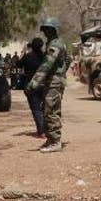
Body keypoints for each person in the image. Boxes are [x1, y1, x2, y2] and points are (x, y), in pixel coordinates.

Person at [27, 18, 70, 153]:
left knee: (50, 110)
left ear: (53, 30)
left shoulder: (55, 45)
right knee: (48, 109)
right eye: (44, 29)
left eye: (47, 29)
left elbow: (46, 65)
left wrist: (33, 83)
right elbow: (68, 60)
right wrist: (62, 72)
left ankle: (55, 141)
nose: (45, 32)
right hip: (54, 81)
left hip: (54, 82)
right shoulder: (56, 43)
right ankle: (51, 139)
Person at [17, 39, 47, 136]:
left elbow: (18, 64)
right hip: (44, 85)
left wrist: (24, 52)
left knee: (36, 109)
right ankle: (46, 129)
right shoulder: (45, 57)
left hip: (30, 86)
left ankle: (41, 131)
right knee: (45, 108)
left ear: (31, 46)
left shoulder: (27, 56)